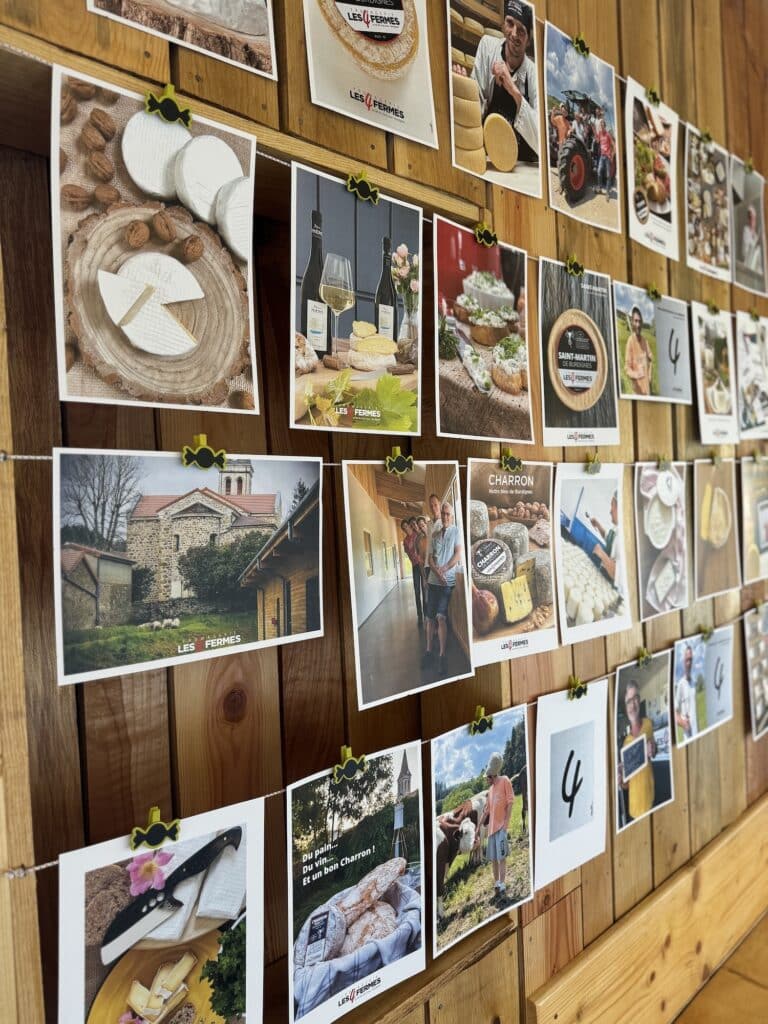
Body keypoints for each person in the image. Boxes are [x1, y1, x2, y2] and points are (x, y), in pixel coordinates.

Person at [471, 1, 539, 164]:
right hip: (489, 154)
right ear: (503, 24)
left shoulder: (534, 73)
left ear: (529, 40)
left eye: (521, 30)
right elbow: (475, 102)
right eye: (510, 23)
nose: (514, 34)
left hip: (523, 163)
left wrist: (513, 90)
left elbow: (540, 141)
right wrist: (462, 91)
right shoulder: (488, 47)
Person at [423, 502, 464, 676]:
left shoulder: (456, 532)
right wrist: (435, 571)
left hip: (447, 582)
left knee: (441, 617)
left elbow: (458, 554)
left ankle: (441, 656)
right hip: (434, 581)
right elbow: (430, 558)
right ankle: (428, 652)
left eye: (448, 514)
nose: (446, 516)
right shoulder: (435, 535)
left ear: (452, 516)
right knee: (429, 618)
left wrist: (445, 569)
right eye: (444, 513)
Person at [617, 680, 657, 823]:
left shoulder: (648, 724)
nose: (632, 705)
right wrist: (621, 780)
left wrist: (653, 748)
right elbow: (626, 785)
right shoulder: (625, 744)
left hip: (651, 798)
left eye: (635, 698)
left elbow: (655, 751)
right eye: (629, 701)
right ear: (626, 706)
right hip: (634, 808)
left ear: (639, 700)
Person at [478, 752, 514, 900]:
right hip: (491, 830)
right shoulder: (490, 791)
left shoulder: (505, 781)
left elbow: (510, 802)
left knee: (501, 857)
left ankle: (503, 884)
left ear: (491, 775)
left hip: (500, 828)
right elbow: (486, 811)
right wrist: (478, 828)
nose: (486, 780)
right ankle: (497, 883)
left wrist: (505, 825)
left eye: (487, 777)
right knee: (493, 859)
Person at [589, 491, 620, 583]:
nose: (610, 511)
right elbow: (608, 538)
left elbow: (617, 573)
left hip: (608, 581)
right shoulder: (616, 528)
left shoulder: (622, 537)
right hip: (602, 574)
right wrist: (598, 525)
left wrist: (601, 553)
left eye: (612, 506)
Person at [624, 305, 654, 396]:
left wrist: (649, 375)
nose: (638, 324)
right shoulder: (630, 341)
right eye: (636, 321)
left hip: (647, 391)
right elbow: (627, 368)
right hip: (638, 393)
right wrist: (636, 374)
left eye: (640, 321)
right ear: (632, 322)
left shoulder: (645, 341)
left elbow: (651, 359)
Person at [401, 518, 423, 626]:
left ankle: (427, 614)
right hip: (415, 567)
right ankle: (420, 615)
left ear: (410, 526)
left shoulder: (417, 534)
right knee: (417, 591)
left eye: (406, 526)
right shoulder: (405, 541)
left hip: (422, 564)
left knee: (424, 589)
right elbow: (408, 553)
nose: (406, 528)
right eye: (403, 528)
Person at [675, 644, 699, 740]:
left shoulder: (693, 683)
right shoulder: (681, 684)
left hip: (698, 732)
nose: (689, 663)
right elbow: (674, 713)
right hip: (688, 737)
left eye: (691, 659)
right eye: (687, 660)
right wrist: (684, 724)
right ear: (683, 661)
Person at [596, 118, 615, 196]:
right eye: (601, 125)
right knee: (599, 172)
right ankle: (600, 187)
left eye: (603, 125)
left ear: (605, 126)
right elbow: (597, 141)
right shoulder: (600, 133)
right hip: (602, 156)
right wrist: (593, 130)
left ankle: (607, 192)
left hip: (607, 157)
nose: (602, 127)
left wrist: (612, 156)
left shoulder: (608, 134)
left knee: (608, 175)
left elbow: (614, 145)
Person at [742, 205, 763, 273]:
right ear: (748, 219)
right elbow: (745, 252)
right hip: (749, 266)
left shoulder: (756, 236)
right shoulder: (746, 230)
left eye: (753, 218)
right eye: (750, 218)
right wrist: (755, 246)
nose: (752, 221)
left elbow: (759, 258)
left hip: (756, 269)